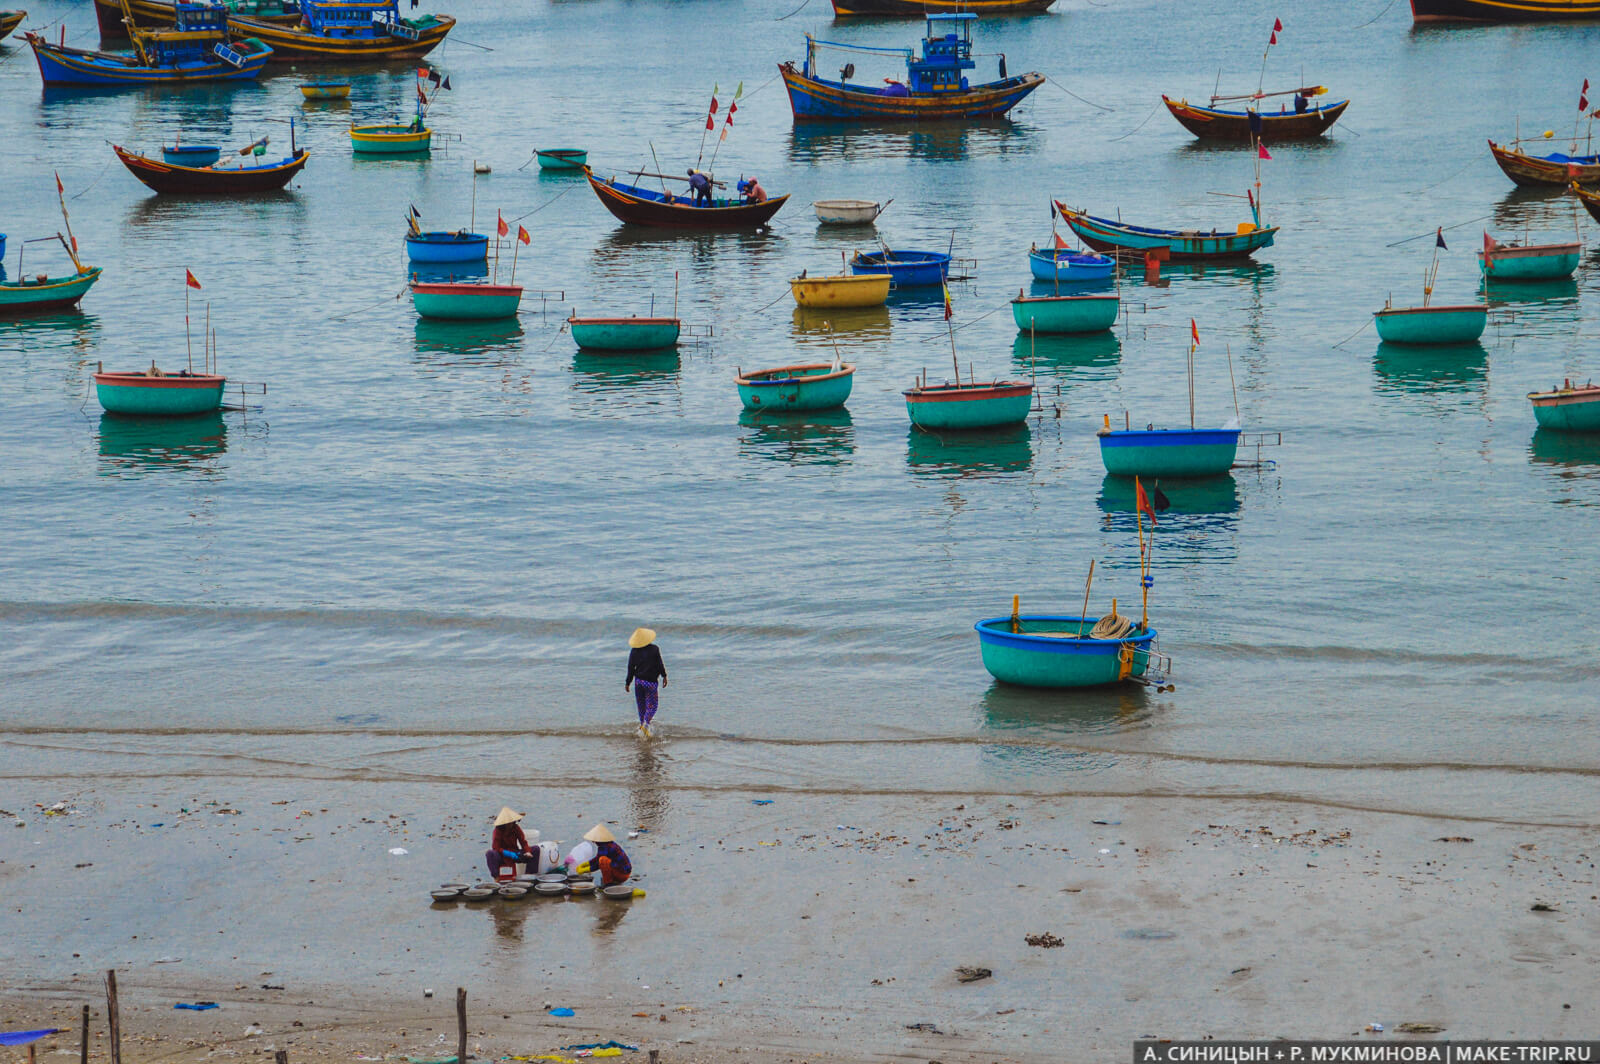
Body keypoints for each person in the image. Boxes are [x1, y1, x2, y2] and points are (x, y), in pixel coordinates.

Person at [625, 627, 667, 736]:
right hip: (651, 682)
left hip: (638, 681)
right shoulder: (654, 649)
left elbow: (630, 668)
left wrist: (628, 682)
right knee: (652, 705)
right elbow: (659, 664)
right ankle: (646, 725)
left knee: (641, 705)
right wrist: (664, 676)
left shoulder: (634, 651)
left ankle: (642, 727)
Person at [484, 806, 537, 879]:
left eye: (512, 823)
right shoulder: (498, 831)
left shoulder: (516, 828)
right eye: (508, 823)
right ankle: (496, 877)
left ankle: (529, 875)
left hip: (516, 854)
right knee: (489, 853)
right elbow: (495, 847)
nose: (510, 825)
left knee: (536, 849)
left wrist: (527, 851)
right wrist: (508, 853)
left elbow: (523, 842)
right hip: (502, 856)